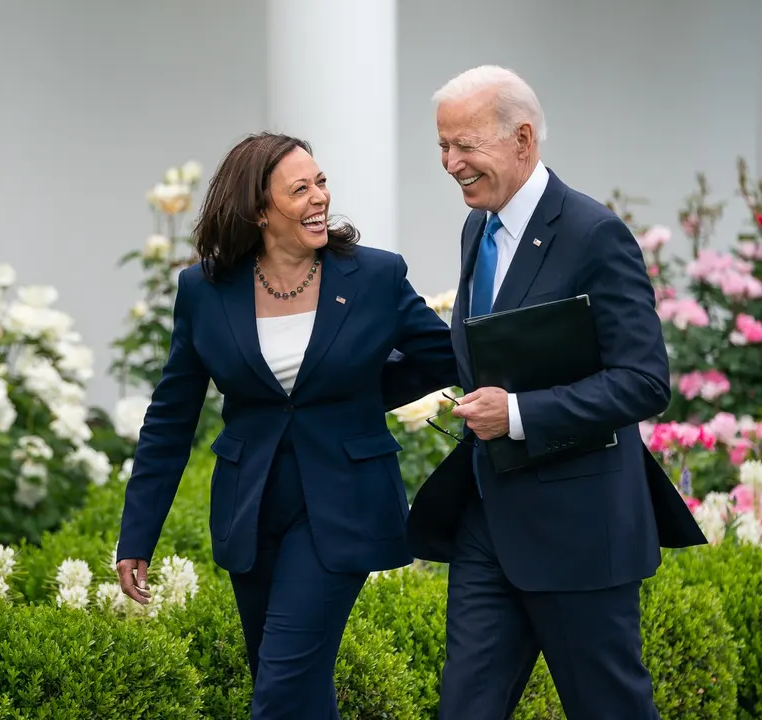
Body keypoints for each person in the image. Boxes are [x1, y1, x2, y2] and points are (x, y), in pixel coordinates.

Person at [401, 66, 708, 719]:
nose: (451, 162)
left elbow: (644, 380)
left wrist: (517, 414)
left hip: (580, 531)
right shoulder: (476, 228)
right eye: (442, 147)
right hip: (488, 523)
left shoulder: (593, 233)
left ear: (523, 139)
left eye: (465, 146)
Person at [115, 132, 457, 719]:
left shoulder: (373, 276)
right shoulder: (204, 289)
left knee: (281, 685)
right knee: (293, 685)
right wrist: (137, 534)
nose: (319, 198)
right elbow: (171, 417)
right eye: (300, 189)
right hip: (251, 507)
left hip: (343, 504)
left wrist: (357, 397)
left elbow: (444, 357)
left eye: (320, 182)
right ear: (258, 209)